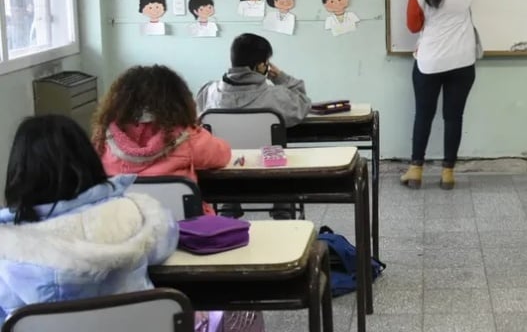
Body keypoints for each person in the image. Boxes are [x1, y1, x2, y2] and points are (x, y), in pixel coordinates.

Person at [0, 115, 178, 320]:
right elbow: (164, 244)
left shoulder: (8, 248)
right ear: (88, 158)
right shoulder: (132, 212)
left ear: (19, 170)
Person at [401, 0, 503, 190]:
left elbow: (413, 26)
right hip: (462, 61)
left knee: (423, 115)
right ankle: (447, 174)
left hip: (429, 63)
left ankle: (415, 171)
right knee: (453, 117)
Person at [196, 33, 312, 219]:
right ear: (261, 65)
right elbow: (303, 103)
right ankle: (283, 212)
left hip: (222, 176)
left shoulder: (208, 92)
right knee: (283, 167)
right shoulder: (276, 96)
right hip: (271, 176)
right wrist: (281, 77)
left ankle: (229, 208)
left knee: (233, 156)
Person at [95, 65, 231, 216]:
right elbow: (222, 155)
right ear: (178, 101)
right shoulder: (187, 136)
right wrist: (198, 129)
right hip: (183, 231)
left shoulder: (103, 139)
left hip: (123, 230)